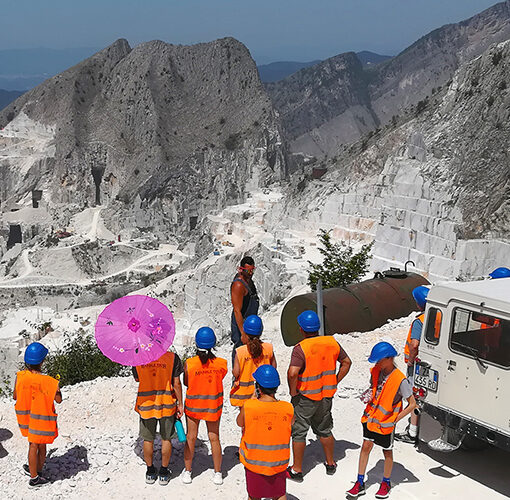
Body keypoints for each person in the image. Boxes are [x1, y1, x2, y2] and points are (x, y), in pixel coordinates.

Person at [286, 310, 352, 482]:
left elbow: (293, 373)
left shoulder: (301, 348)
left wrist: (293, 391)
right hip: (325, 396)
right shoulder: (332, 342)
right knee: (324, 429)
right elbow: (347, 362)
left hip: (305, 397)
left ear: (301, 329)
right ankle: (331, 463)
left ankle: (297, 470)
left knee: (299, 433)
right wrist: (335, 380)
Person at [346, 342, 416, 499]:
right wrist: (368, 395)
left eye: (379, 360)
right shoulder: (377, 371)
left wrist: (395, 419)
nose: (377, 363)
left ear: (389, 359)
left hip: (385, 424)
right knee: (365, 446)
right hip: (371, 418)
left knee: (387, 451)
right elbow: (375, 390)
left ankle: (386, 482)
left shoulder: (400, 380)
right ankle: (360, 482)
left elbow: (412, 404)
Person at [237, 365, 294, 500]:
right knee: (279, 494)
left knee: (254, 495)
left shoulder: (249, 406)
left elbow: (240, 422)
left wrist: (252, 399)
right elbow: (290, 424)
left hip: (254, 463)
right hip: (278, 463)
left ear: (258, 387)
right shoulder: (287, 407)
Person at [181, 327, 228, 485]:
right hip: (213, 406)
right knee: (214, 438)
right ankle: (218, 473)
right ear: (213, 344)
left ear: (196, 344)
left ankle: (188, 472)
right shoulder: (222, 364)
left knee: (191, 438)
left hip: (193, 406)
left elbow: (186, 382)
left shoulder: (189, 364)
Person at [13, 342, 62, 488]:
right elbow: (58, 400)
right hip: (41, 420)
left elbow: (15, 396)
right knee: (39, 445)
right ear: (42, 361)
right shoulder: (49, 381)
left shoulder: (20, 377)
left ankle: (33, 470)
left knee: (32, 444)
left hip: (27, 418)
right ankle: (35, 477)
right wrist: (57, 387)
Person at [132, 349, 184, 485]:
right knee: (166, 438)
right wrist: (180, 404)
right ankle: (164, 473)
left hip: (146, 404)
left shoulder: (138, 357)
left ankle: (150, 472)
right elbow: (177, 383)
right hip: (166, 403)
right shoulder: (172, 358)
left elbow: (137, 378)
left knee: (148, 439)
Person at [396, 285, 435, 444]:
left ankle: (412, 433)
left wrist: (411, 360)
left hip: (417, 364)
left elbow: (414, 344)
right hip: (430, 362)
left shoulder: (420, 321)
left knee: (415, 397)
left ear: (419, 304)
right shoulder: (438, 316)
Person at [230, 315, 276, 407]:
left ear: (245, 332)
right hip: (263, 393)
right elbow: (273, 367)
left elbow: (236, 372)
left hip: (244, 395)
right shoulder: (268, 348)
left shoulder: (240, 351)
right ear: (261, 331)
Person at [231, 256, 260, 361]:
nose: (251, 273)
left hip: (250, 322)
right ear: (241, 269)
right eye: (248, 270)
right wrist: (243, 333)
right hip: (241, 324)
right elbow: (237, 310)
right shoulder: (238, 285)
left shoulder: (249, 280)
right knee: (240, 351)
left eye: (252, 270)